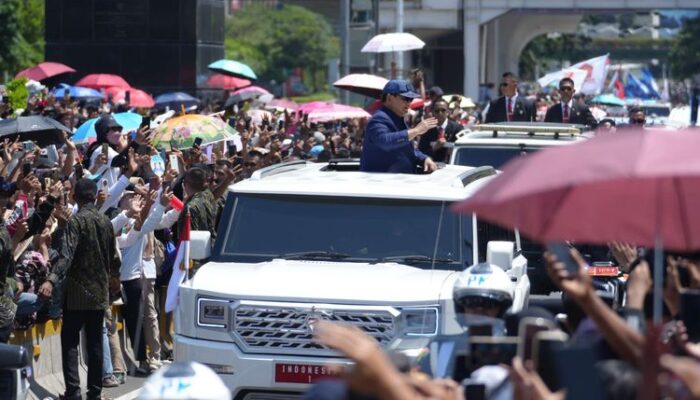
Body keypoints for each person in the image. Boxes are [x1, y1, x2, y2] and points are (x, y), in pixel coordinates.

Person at [38, 178, 121, 400]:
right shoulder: (105, 222)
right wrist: (114, 282)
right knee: (95, 344)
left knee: (70, 343)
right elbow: (114, 258)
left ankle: (73, 392)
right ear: (94, 196)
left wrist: (51, 280)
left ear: (75, 196)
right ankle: (94, 393)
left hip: (76, 294)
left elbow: (66, 256)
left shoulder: (76, 222)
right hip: (99, 294)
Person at [360, 80, 438, 174]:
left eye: (411, 99)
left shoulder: (398, 118)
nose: (409, 103)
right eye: (405, 98)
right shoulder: (379, 119)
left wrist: (424, 158)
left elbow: (407, 149)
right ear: (389, 98)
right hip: (381, 184)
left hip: (398, 183)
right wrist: (416, 130)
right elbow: (386, 142)